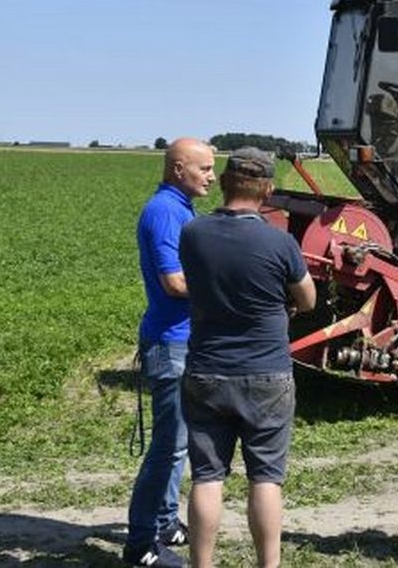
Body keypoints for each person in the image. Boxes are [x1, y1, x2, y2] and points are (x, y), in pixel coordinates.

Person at [177, 147, 316, 568]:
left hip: (206, 369)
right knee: (266, 478)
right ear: (269, 191)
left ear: (223, 182)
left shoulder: (193, 234)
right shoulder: (280, 242)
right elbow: (307, 300)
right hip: (267, 373)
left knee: (206, 477)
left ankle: (202, 564)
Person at [124, 138, 216, 568]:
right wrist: (225, 293)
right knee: (168, 446)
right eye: (205, 169)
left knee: (178, 446)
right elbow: (174, 284)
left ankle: (164, 522)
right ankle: (141, 544)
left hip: (182, 338)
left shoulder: (179, 208)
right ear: (178, 168)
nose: (212, 177)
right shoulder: (164, 213)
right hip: (170, 341)